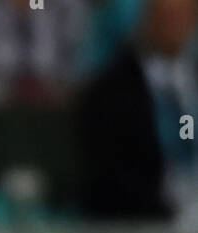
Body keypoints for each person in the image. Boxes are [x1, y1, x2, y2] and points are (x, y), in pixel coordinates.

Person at [77, 0, 198, 221]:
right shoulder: (108, 94)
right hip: (140, 229)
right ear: (147, 20)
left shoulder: (191, 78)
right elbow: (110, 184)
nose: (174, 27)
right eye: (166, 18)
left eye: (182, 17)